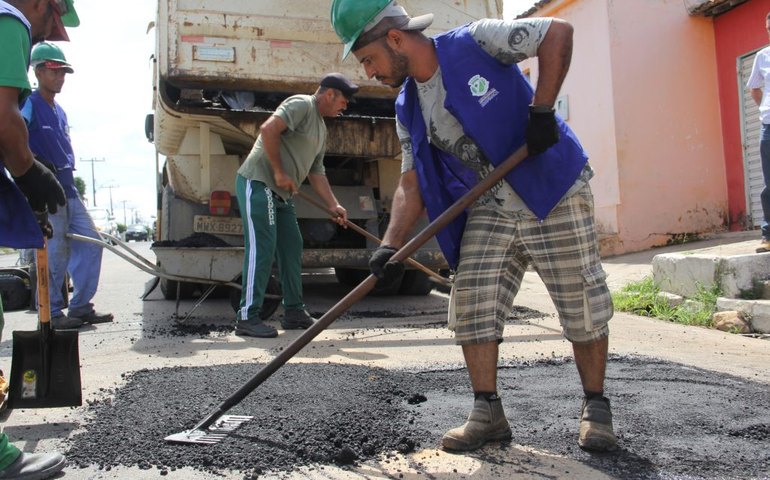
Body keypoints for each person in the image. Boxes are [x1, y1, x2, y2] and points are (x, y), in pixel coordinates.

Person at [330, 0, 616, 453]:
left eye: (368, 59)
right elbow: (410, 181)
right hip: (493, 205)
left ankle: (596, 408)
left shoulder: (476, 41)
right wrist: (390, 246)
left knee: (581, 302)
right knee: (471, 303)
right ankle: (488, 413)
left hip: (553, 189)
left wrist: (542, 111)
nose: (368, 72)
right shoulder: (407, 106)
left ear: (396, 39)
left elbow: (557, 32)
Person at [0, 0, 80, 478]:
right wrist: (29, 174)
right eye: (53, 20)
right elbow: (5, 120)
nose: (49, 32)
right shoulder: (8, 19)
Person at [235, 73, 356, 338]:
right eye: (343, 101)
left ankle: (294, 312)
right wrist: (279, 172)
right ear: (329, 94)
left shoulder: (321, 129)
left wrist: (333, 205)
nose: (345, 107)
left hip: (282, 195)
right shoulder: (301, 104)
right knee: (263, 247)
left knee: (292, 247)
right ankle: (247, 317)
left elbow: (317, 172)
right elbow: (268, 129)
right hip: (259, 182)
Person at [22, 41, 113, 328]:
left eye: (63, 72)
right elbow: (15, 135)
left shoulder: (60, 111)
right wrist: (35, 163)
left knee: (93, 244)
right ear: (38, 72)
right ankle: (50, 313)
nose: (60, 77)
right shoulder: (29, 104)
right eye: (54, 71)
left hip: (69, 189)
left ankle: (81, 306)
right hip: (48, 190)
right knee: (54, 252)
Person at [748, 12, 770, 254]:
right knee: (769, 184)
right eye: (769, 29)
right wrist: (765, 108)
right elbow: (754, 88)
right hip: (769, 127)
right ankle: (768, 235)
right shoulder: (762, 56)